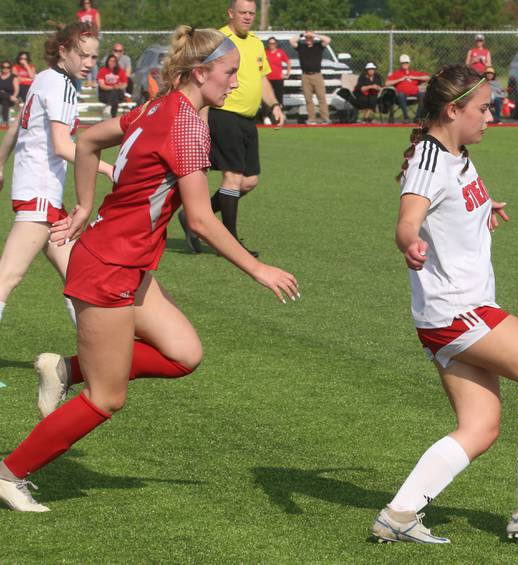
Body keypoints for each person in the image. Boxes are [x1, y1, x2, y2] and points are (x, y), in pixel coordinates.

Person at [0, 25, 300, 513]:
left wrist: (82, 206)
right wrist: (257, 268)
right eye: (229, 74)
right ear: (200, 72)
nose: (234, 84)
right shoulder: (186, 125)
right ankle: (10, 472)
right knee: (105, 398)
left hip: (126, 263)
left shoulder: (159, 106)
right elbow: (200, 221)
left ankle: (64, 369)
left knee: (184, 354)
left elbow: (89, 141)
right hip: (109, 268)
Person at [371, 64, 518, 544]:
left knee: (480, 427)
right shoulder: (429, 158)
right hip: (460, 311)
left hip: (448, 314)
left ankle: (398, 516)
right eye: (483, 108)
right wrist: (410, 243)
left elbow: (450, 202)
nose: (491, 116)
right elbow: (408, 219)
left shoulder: (454, 152)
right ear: (452, 110)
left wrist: (486, 207)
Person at [0, 21, 113, 334]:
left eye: (94, 57)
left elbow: (13, 126)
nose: (89, 63)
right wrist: (108, 169)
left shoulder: (44, 78)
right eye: (83, 55)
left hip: (39, 193)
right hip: (39, 194)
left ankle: (99, 357)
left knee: (79, 276)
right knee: (6, 277)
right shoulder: (61, 85)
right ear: (63, 50)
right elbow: (64, 147)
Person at [178, 0, 285, 256]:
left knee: (249, 181)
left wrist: (274, 106)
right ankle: (229, 243)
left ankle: (191, 217)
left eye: (251, 13)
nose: (247, 17)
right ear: (231, 13)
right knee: (233, 178)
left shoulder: (257, 43)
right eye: (243, 13)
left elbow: (262, 79)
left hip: (249, 119)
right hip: (223, 114)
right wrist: (201, 118)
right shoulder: (217, 40)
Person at [290, 30, 332, 125]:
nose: (308, 39)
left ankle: (325, 118)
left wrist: (315, 34)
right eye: (307, 38)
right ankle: (312, 119)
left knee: (321, 98)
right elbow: (292, 41)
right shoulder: (301, 46)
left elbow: (328, 40)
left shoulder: (318, 46)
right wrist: (303, 34)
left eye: (310, 38)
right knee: (308, 99)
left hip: (317, 75)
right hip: (305, 76)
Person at [386, 54, 430, 123]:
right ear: (401, 64)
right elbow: (387, 83)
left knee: (423, 95)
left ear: (409, 63)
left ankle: (417, 117)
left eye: (406, 63)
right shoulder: (396, 73)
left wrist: (414, 77)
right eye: (403, 63)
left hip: (414, 96)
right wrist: (400, 79)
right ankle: (406, 117)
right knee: (400, 95)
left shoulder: (413, 73)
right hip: (401, 98)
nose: (405, 64)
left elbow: (427, 77)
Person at [264, 36, 291, 107]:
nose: (271, 45)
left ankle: (280, 113)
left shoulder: (280, 52)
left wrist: (287, 73)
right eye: (270, 43)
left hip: (278, 79)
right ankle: (268, 114)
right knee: (267, 97)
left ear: (276, 44)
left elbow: (288, 62)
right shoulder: (264, 52)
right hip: (267, 79)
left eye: (273, 43)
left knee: (278, 97)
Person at [0, 61, 19, 125]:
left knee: (4, 100)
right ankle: (5, 122)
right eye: (3, 67)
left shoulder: (13, 77)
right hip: (7, 96)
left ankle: (5, 122)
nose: (5, 69)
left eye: (7, 67)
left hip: (10, 99)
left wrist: (13, 96)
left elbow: (16, 90)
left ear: (10, 68)